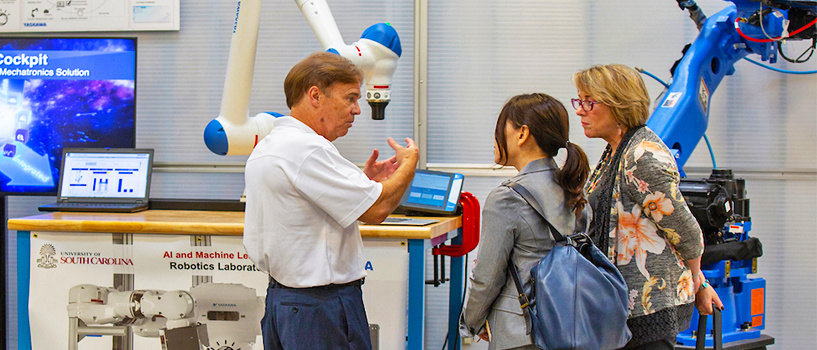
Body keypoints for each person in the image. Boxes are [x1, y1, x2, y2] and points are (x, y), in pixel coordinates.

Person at [243, 52, 419, 349]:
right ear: (315, 95)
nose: (357, 110)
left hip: (284, 305)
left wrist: (363, 185)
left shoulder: (270, 146)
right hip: (320, 309)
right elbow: (377, 210)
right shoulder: (308, 150)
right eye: (350, 98)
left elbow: (309, 210)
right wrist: (408, 167)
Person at [572, 64, 724, 349]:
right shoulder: (615, 151)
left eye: (589, 102)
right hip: (621, 308)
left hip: (645, 313)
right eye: (579, 101)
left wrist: (698, 282)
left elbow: (686, 232)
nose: (580, 110)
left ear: (618, 105)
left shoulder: (641, 156)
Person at [461, 93, 592, 349]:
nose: (496, 137)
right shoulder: (575, 190)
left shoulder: (506, 197)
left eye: (501, 128)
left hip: (521, 333)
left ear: (522, 134)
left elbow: (487, 277)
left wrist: (471, 322)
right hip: (571, 325)